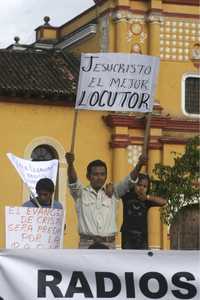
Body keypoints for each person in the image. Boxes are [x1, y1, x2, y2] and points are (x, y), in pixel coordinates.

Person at [65, 152, 146, 249]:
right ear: (88, 176)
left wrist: (139, 164)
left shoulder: (114, 192)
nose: (99, 178)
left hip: (109, 245)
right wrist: (70, 164)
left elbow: (129, 181)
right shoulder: (81, 194)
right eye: (95, 174)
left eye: (102, 174)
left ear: (106, 176)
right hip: (86, 244)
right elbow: (73, 181)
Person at [121, 173, 167, 249]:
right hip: (127, 236)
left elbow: (163, 202)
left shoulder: (147, 201)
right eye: (139, 185)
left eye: (145, 186)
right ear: (134, 185)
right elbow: (117, 191)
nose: (141, 188)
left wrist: (148, 197)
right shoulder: (127, 196)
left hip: (142, 237)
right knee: (128, 258)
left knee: (142, 259)